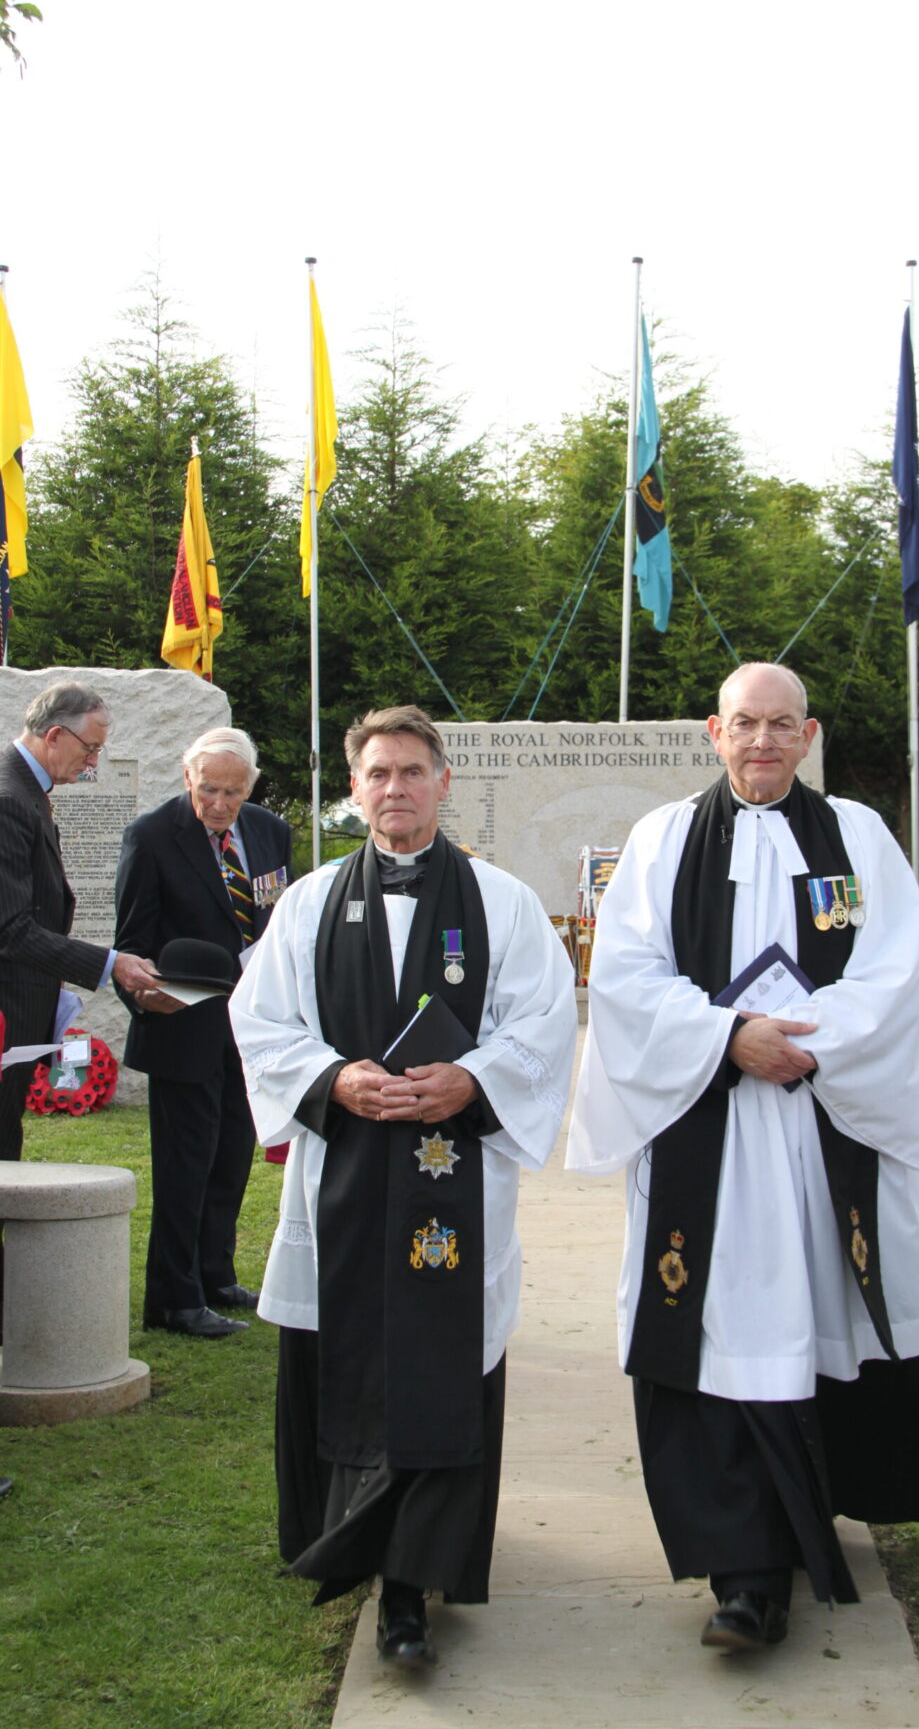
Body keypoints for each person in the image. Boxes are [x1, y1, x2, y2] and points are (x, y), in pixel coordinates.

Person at [567, 662, 919, 1655]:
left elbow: (896, 965)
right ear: (713, 729)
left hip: (822, 1113)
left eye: (782, 724)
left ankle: (816, 1500)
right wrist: (728, 1038)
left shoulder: (858, 837)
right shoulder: (661, 842)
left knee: (821, 1308)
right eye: (745, 722)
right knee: (722, 1321)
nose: (763, 740)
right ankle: (746, 1569)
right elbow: (625, 976)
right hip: (714, 1123)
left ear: (809, 732)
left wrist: (806, 1041)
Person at [229, 705, 577, 1669]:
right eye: (378, 773)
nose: (395, 789)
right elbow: (259, 1019)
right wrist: (332, 1077)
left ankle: (417, 1579)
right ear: (355, 789)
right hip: (342, 1166)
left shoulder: (502, 902)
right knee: (346, 1347)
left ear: (443, 781)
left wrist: (474, 1078)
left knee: (444, 1351)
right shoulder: (305, 903)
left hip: (451, 1170)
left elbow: (543, 1022)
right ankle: (346, 1543)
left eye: (413, 771)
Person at [0, 681, 162, 1502]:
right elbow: (10, 928)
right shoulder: (8, 796)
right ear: (55, 734)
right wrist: (106, 965)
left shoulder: (33, 790)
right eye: (92, 748)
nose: (95, 762)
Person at [114, 726, 292, 1339]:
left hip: (250, 1029)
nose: (219, 804)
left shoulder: (270, 832)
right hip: (182, 1026)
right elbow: (132, 943)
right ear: (188, 777)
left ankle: (216, 1274)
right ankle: (173, 1298)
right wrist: (145, 996)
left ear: (251, 787)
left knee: (231, 1156)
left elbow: (277, 915)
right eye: (209, 789)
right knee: (185, 1166)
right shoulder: (152, 836)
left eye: (234, 792)